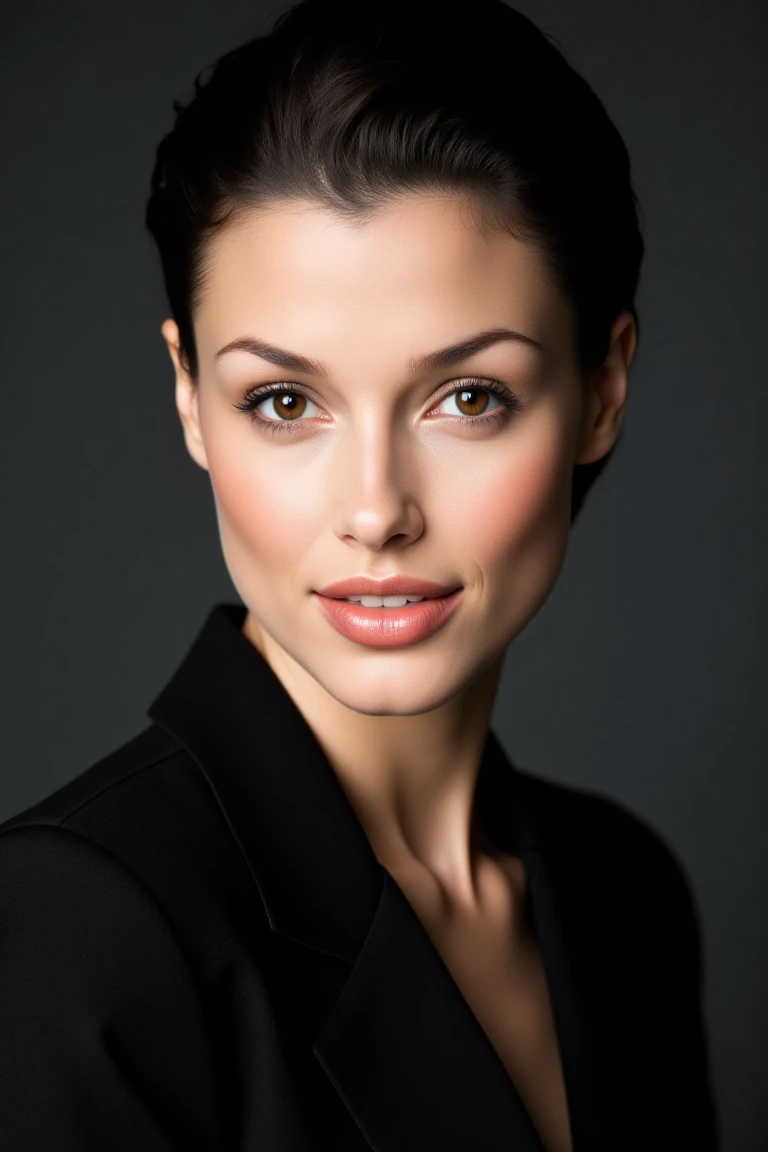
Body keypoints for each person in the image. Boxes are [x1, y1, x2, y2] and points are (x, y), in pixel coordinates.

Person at [0, 1, 720, 1149]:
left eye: (468, 398)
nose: (377, 511)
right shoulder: (70, 933)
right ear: (191, 398)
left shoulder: (620, 894)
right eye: (285, 402)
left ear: (602, 391)